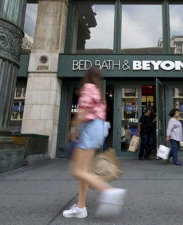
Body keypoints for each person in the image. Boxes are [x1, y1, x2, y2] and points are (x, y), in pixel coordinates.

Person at [63, 67, 126, 219]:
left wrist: (74, 130)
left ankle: (108, 191)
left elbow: (82, 113)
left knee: (77, 170)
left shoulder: (88, 88)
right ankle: (81, 206)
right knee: (84, 172)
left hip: (89, 129)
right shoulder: (99, 93)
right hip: (98, 130)